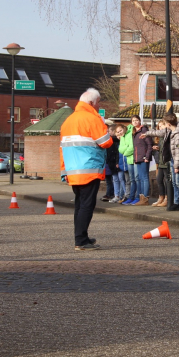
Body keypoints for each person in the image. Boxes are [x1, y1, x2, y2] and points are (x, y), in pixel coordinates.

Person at [59, 88, 114, 251]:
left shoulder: (68, 121)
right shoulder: (92, 118)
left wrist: (64, 172)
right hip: (89, 169)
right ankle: (81, 240)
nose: (98, 107)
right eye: (98, 103)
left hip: (73, 171)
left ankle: (82, 236)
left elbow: (62, 149)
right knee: (86, 206)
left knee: (79, 205)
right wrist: (108, 133)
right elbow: (105, 142)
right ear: (91, 103)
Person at [130, 115, 153, 206]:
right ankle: (141, 198)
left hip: (143, 158)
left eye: (136, 120)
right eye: (133, 121)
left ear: (140, 121)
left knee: (144, 178)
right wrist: (135, 159)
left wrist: (147, 157)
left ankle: (145, 198)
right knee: (140, 178)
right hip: (138, 158)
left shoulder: (143, 131)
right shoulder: (135, 132)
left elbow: (149, 145)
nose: (135, 122)